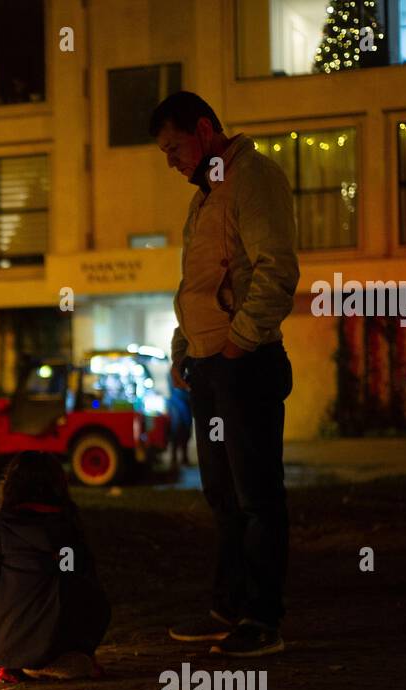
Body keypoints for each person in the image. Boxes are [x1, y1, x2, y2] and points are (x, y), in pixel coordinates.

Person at [152, 90, 298, 657]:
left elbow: (275, 267)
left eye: (174, 147)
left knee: (257, 494)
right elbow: (194, 281)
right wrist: (184, 347)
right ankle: (230, 609)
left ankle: (263, 620)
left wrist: (238, 344)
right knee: (223, 494)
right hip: (212, 367)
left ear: (205, 130)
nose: (171, 161)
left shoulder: (253, 179)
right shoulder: (205, 196)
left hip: (244, 365)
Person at [0, 452, 109, 681]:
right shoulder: (67, 529)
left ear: (11, 486)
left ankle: (21, 661)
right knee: (95, 603)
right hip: (58, 639)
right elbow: (73, 579)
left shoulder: (0, 528)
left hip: (6, 642)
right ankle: (56, 660)